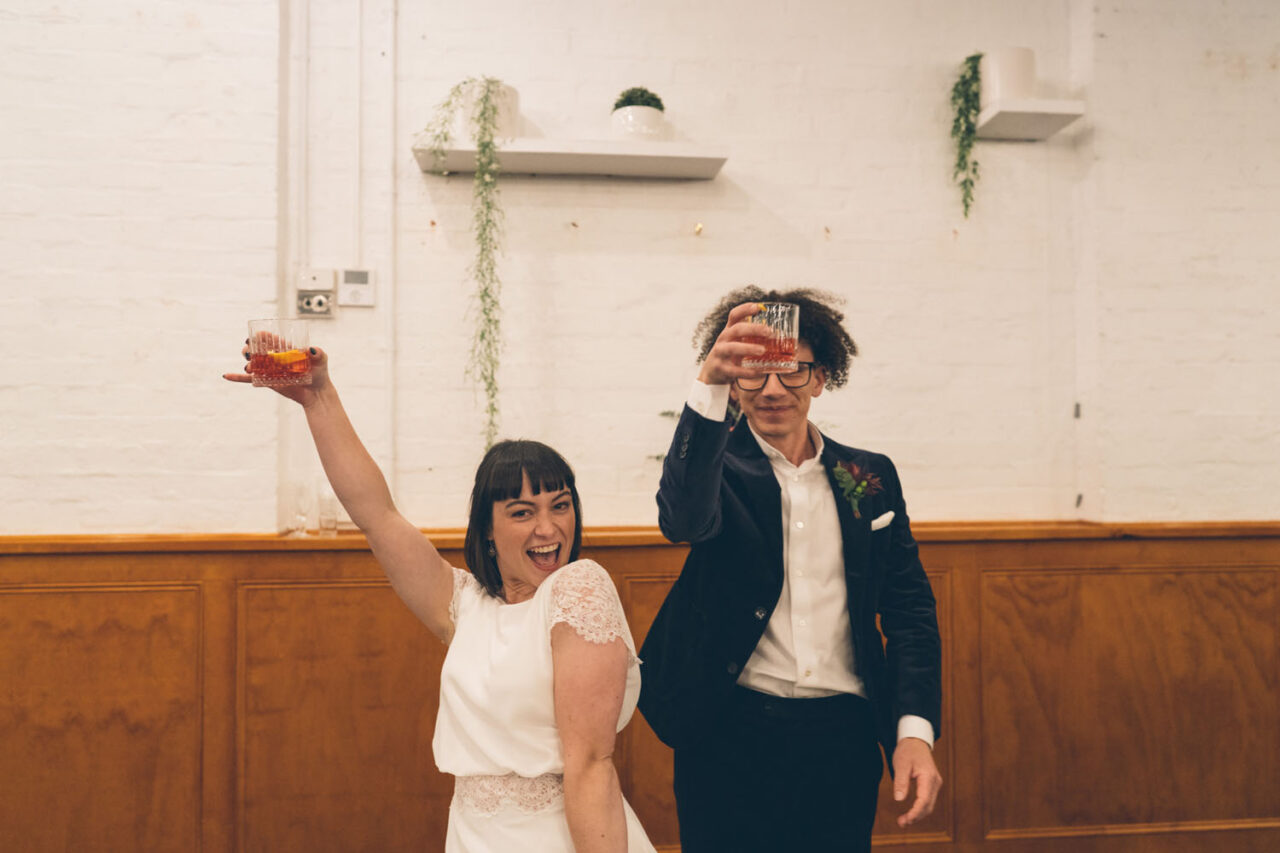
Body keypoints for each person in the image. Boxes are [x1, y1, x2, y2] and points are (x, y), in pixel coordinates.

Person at [224, 342, 656, 853]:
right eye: (522, 512)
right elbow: (376, 514)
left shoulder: (579, 588)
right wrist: (318, 398)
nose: (549, 527)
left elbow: (591, 765)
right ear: (488, 531)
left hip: (560, 837)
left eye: (560, 506)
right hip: (473, 835)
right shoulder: (465, 605)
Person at [637, 287, 943, 852]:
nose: (773, 389)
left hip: (842, 735)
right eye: (753, 373)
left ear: (821, 377)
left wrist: (914, 732)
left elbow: (909, 612)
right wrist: (709, 381)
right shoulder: (717, 468)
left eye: (792, 371)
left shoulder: (868, 476)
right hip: (729, 730)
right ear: (735, 382)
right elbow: (681, 520)